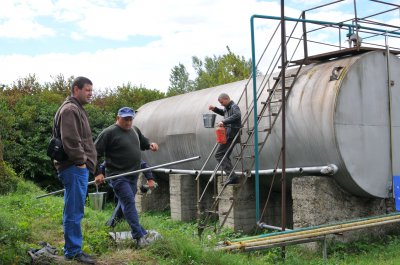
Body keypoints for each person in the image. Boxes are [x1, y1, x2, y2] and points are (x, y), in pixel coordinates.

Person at [94, 107, 159, 248]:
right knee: (129, 202)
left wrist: (150, 145)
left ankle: (110, 225)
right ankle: (139, 236)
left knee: (125, 203)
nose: (128, 122)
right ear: (118, 118)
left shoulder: (134, 130)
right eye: (125, 119)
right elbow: (94, 154)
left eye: (130, 119)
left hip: (132, 176)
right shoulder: (109, 133)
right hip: (118, 177)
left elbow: (143, 142)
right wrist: (98, 172)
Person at [53, 76, 97, 264]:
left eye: (91, 90)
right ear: (75, 89)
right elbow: (70, 140)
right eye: (87, 90)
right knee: (74, 210)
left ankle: (73, 248)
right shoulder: (71, 109)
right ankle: (72, 251)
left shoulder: (75, 108)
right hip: (73, 167)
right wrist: (81, 161)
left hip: (75, 167)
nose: (90, 94)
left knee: (73, 208)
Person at [103, 160, 155, 228]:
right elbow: (104, 164)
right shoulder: (116, 155)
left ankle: (119, 220)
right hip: (116, 178)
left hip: (130, 179)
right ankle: (111, 224)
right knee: (126, 199)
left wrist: (150, 178)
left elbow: (143, 164)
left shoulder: (132, 155)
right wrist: (100, 174)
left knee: (122, 200)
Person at [208, 93, 242, 185]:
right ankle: (232, 176)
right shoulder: (227, 108)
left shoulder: (234, 107)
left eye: (222, 102)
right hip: (229, 134)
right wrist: (214, 109)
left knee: (219, 154)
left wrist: (223, 121)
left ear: (226, 99)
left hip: (232, 135)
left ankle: (232, 176)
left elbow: (237, 115)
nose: (221, 104)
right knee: (224, 155)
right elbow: (224, 113)